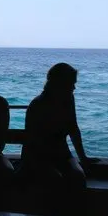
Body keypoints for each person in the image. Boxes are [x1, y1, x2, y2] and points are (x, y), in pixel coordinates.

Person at [20, 63, 99, 191]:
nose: (74, 87)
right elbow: (32, 142)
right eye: (71, 83)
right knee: (54, 179)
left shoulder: (68, 99)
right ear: (60, 83)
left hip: (61, 153)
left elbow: (73, 128)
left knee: (78, 176)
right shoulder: (37, 105)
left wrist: (83, 158)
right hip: (38, 156)